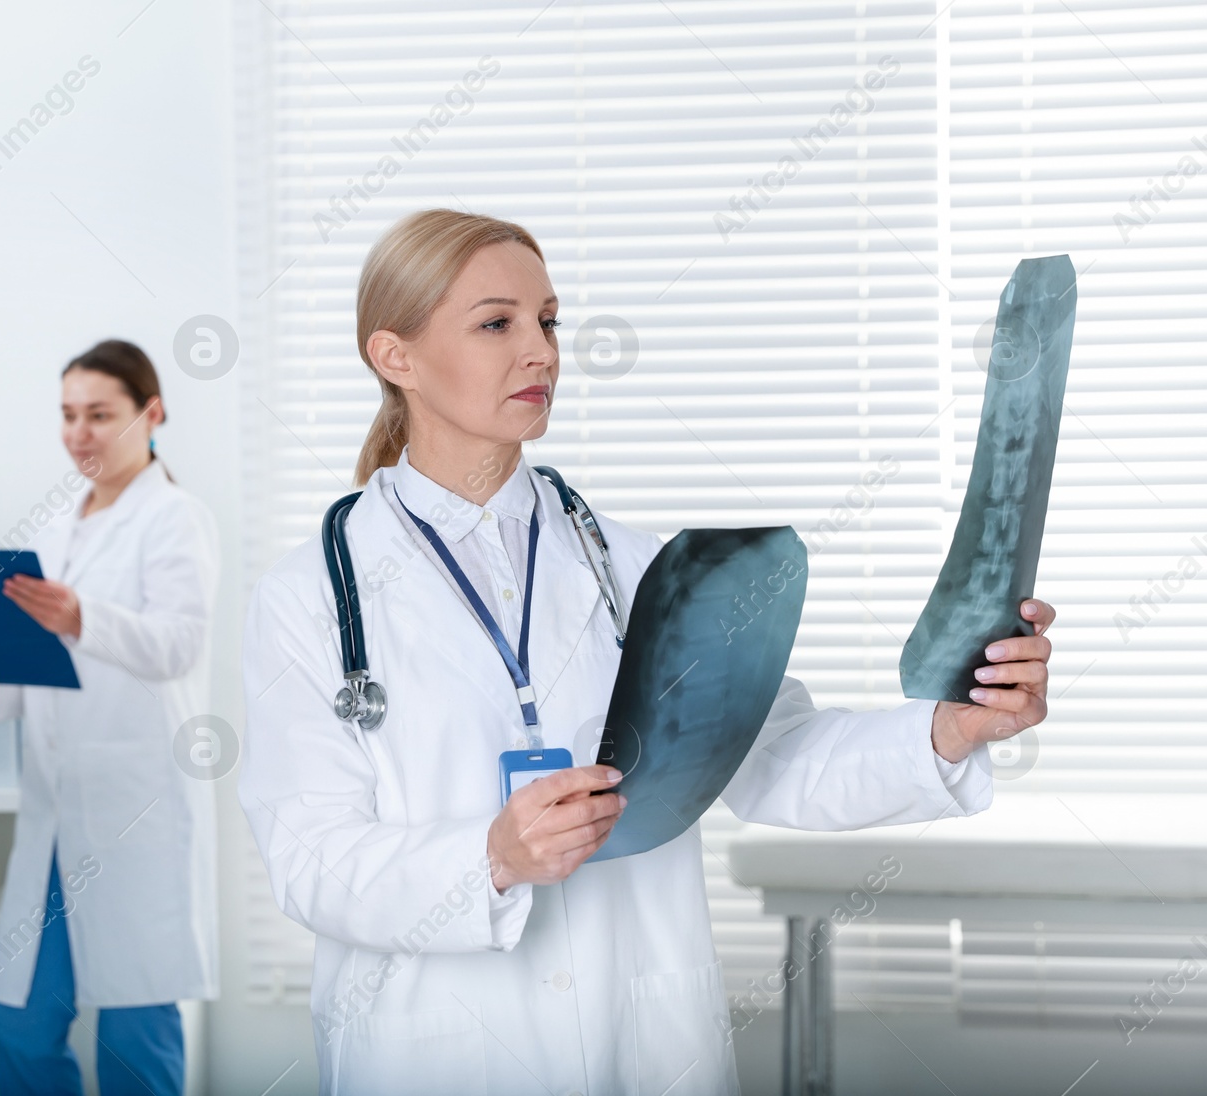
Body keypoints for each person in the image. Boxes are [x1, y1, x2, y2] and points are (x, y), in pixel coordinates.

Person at [237, 209, 1057, 1095]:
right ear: (393, 356)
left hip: (646, 1040)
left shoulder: (636, 568)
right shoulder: (312, 597)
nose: (541, 352)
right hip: (432, 1048)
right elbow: (311, 859)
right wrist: (494, 859)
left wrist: (948, 730)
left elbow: (774, 759)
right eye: (497, 323)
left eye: (548, 321)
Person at [0, 339, 219, 1096]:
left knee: (133, 1042)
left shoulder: (176, 518)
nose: (79, 433)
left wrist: (83, 615)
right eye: (67, 416)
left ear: (151, 415)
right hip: (53, 816)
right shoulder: (56, 529)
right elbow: (38, 675)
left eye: (99, 415)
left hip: (134, 813)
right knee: (14, 1023)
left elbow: (177, 646)